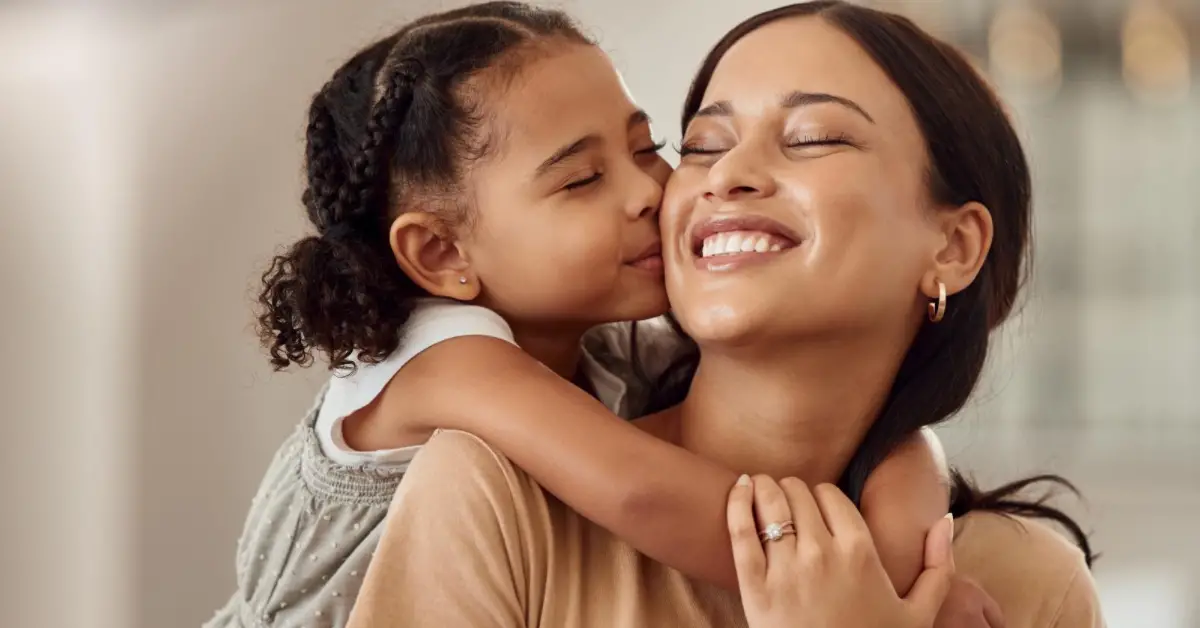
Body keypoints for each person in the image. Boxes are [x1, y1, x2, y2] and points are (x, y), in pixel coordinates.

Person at [346, 2, 1103, 627]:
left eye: (814, 137)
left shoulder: (1026, 585)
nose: (727, 175)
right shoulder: (493, 496)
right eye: (705, 145)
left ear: (954, 246)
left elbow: (906, 443)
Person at [206, 3, 947, 626]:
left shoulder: (609, 351)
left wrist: (911, 528)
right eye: (583, 180)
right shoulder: (444, 362)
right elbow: (641, 491)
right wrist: (863, 591)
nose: (650, 192)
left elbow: (862, 421)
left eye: (648, 146)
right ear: (440, 254)